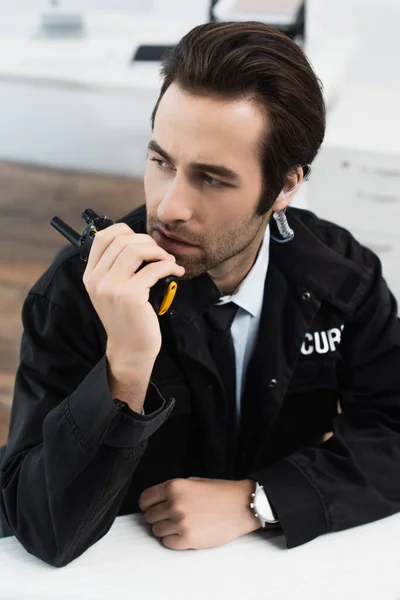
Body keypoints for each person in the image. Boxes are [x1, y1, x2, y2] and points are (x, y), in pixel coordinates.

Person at [1, 20, 400, 568]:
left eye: (211, 178)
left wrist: (260, 499)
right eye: (161, 161)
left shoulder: (340, 274)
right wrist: (126, 368)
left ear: (285, 184)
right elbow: (39, 526)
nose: (168, 208)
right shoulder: (77, 289)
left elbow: (394, 431)